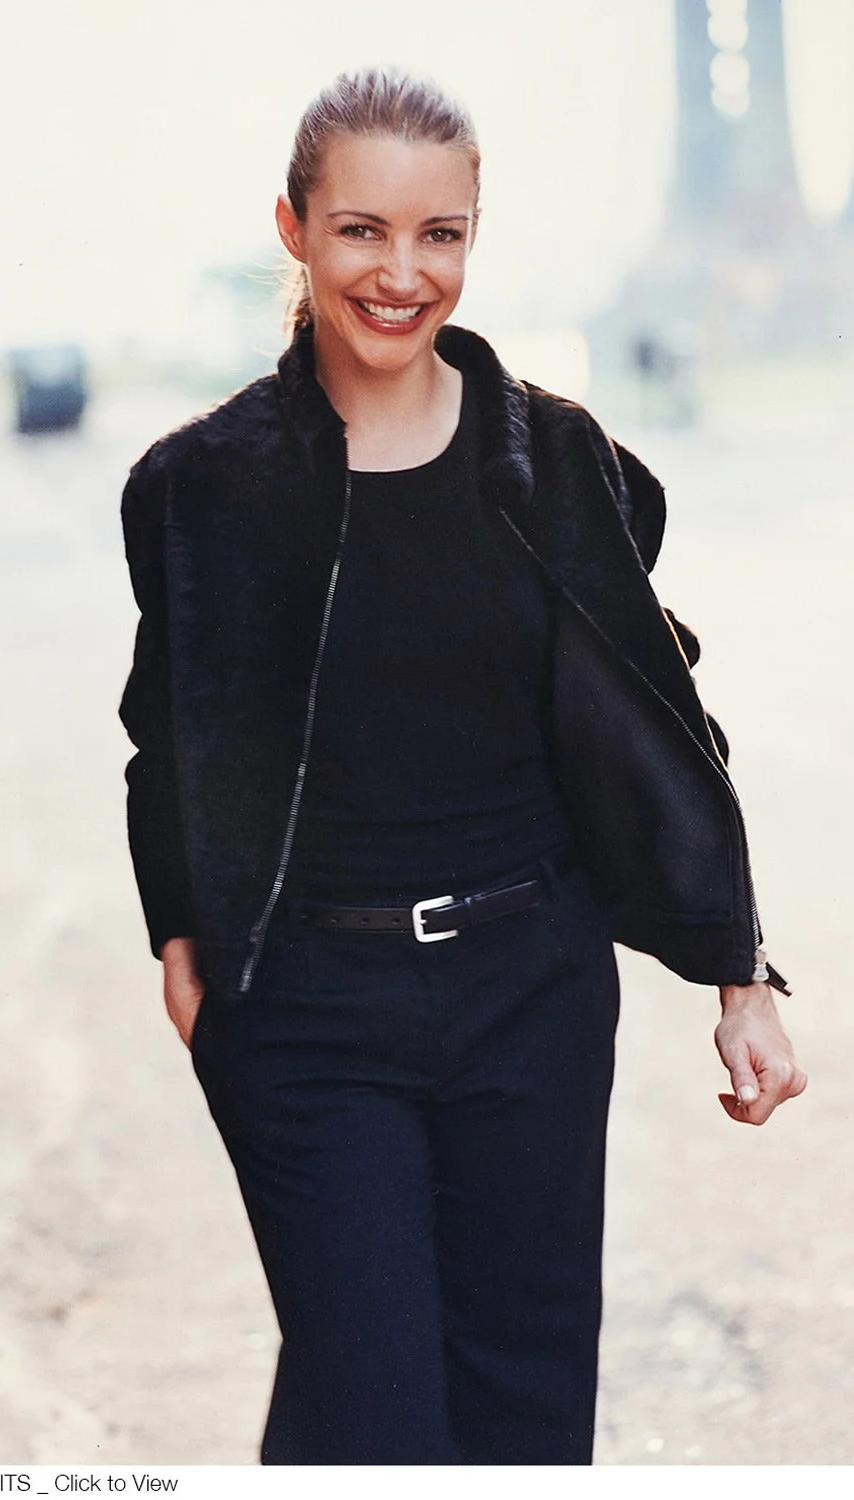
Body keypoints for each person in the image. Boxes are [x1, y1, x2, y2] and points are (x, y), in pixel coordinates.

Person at [119, 68, 806, 1466]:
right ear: (295, 229)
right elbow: (164, 730)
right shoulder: (205, 486)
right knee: (375, 1413)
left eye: (442, 234)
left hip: (529, 988)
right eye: (362, 229)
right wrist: (180, 933)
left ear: (474, 239)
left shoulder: (557, 461)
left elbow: (657, 713)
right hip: (304, 1008)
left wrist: (738, 968)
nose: (400, 272)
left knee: (523, 1405)